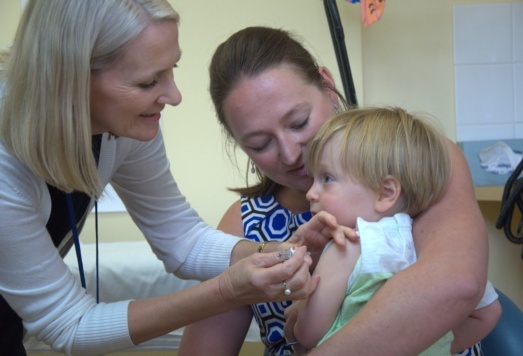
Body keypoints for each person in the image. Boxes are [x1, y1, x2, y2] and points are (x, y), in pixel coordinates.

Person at [0, 2, 352, 355]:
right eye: (149, 81)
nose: (174, 96)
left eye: (172, 69)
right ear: (71, 80)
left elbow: (181, 239)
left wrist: (272, 252)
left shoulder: (128, 129)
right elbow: (68, 323)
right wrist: (228, 289)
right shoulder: (6, 167)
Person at [179, 26, 492, 355]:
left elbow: (459, 285)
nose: (290, 154)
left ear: (327, 86)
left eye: (299, 122)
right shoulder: (244, 227)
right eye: (261, 144)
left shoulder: (418, 164)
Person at [291, 106, 501, 355]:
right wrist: (437, 347)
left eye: (326, 178)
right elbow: (489, 313)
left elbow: (308, 333)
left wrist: (297, 310)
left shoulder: (348, 245)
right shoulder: (429, 247)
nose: (310, 194)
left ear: (386, 193)